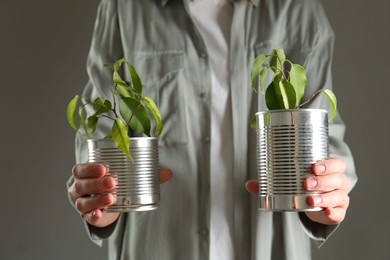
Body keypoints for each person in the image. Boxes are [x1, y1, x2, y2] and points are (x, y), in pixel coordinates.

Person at [67, 0, 357, 259]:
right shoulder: (124, 7)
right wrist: (98, 199)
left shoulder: (298, 8)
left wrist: (323, 194)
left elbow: (323, 140)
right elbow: (100, 138)